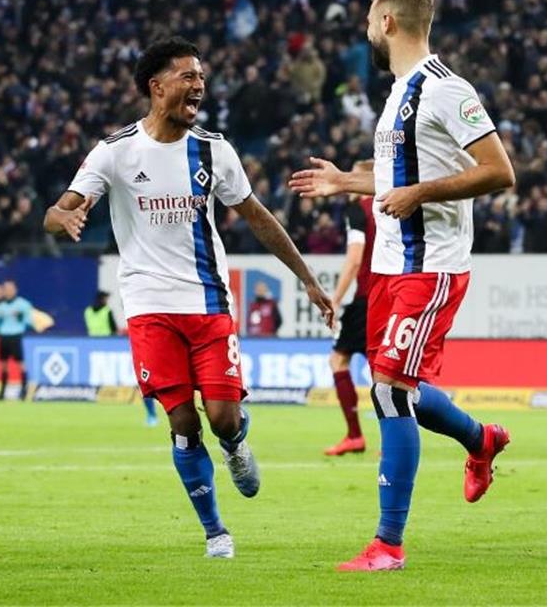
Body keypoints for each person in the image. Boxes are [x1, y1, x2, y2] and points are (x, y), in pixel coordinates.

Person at [45, 36, 335, 559]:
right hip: (149, 306)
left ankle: (236, 441)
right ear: (157, 89)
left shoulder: (213, 150)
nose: (199, 84)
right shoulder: (114, 153)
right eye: (187, 76)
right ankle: (215, 531)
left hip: (207, 302)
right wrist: (63, 215)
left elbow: (257, 217)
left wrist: (307, 278)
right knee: (181, 420)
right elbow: (60, 208)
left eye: (201, 76)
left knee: (222, 417)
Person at [289, 0, 516, 571]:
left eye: (370, 17)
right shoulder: (396, 96)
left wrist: (419, 192)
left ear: (387, 21)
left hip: (431, 267)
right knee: (395, 388)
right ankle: (480, 438)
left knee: (390, 391)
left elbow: (499, 171)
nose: (367, 28)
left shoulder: (446, 89)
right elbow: (398, 181)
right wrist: (346, 180)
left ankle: (388, 544)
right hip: (388, 270)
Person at [324, 161, 376, 457]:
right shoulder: (390, 206)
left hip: (366, 298)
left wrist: (335, 298)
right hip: (392, 295)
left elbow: (355, 259)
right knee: (384, 371)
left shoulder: (358, 210)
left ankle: (355, 435)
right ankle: (393, 441)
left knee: (339, 361)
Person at [85, 290, 158, 426]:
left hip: (100, 345)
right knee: (143, 383)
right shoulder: (117, 312)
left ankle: (153, 414)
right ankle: (152, 414)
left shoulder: (88, 311)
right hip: (117, 346)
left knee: (145, 382)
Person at [0, 279, 34, 400]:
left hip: (16, 336)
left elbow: (29, 321)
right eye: (6, 289)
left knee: (20, 364)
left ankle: (24, 391)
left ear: (15, 290)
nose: (8, 291)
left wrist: (20, 317)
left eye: (10, 289)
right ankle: (2, 392)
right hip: (4, 336)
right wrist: (0, 321)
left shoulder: (23, 305)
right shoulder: (0, 307)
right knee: (3, 365)